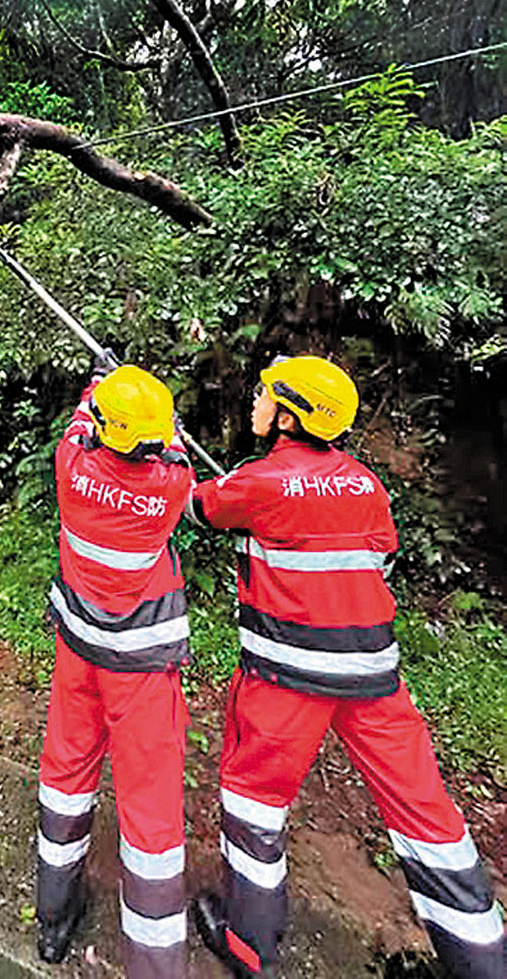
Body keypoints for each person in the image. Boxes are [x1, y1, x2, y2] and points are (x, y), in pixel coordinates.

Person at [187, 354, 506, 979]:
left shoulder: (260, 482)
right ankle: (484, 961)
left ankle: (250, 946)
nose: (255, 401)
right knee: (427, 815)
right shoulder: (366, 484)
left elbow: (199, 509)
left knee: (254, 804)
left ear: (288, 415)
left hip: (285, 684)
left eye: (264, 395)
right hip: (373, 682)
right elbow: (378, 564)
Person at [36, 361, 194, 978]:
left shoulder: (70, 466)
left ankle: (54, 920)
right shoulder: (170, 487)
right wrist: (150, 410)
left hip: (79, 654)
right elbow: (172, 442)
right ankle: (155, 965)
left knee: (66, 776)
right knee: (150, 804)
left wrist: (99, 383)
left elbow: (84, 420)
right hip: (142, 670)